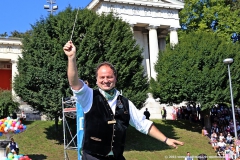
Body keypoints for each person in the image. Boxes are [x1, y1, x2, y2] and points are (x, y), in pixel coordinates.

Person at [63, 41, 184, 160]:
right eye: (102, 77)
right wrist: (71, 58)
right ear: (96, 80)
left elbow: (143, 124)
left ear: (115, 78)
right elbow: (74, 82)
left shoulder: (125, 103)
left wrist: (166, 139)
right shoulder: (89, 96)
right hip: (93, 157)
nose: (106, 80)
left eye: (109, 77)